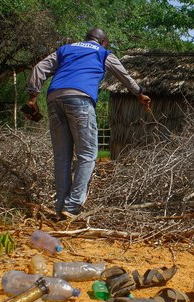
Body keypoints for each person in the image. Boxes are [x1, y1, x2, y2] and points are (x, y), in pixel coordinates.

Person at [27, 28, 151, 219]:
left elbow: (38, 69)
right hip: (81, 100)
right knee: (87, 154)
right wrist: (139, 94)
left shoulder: (64, 49)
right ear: (102, 42)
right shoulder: (103, 53)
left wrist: (33, 98)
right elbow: (124, 76)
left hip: (54, 100)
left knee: (62, 157)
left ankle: (60, 205)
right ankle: (73, 205)